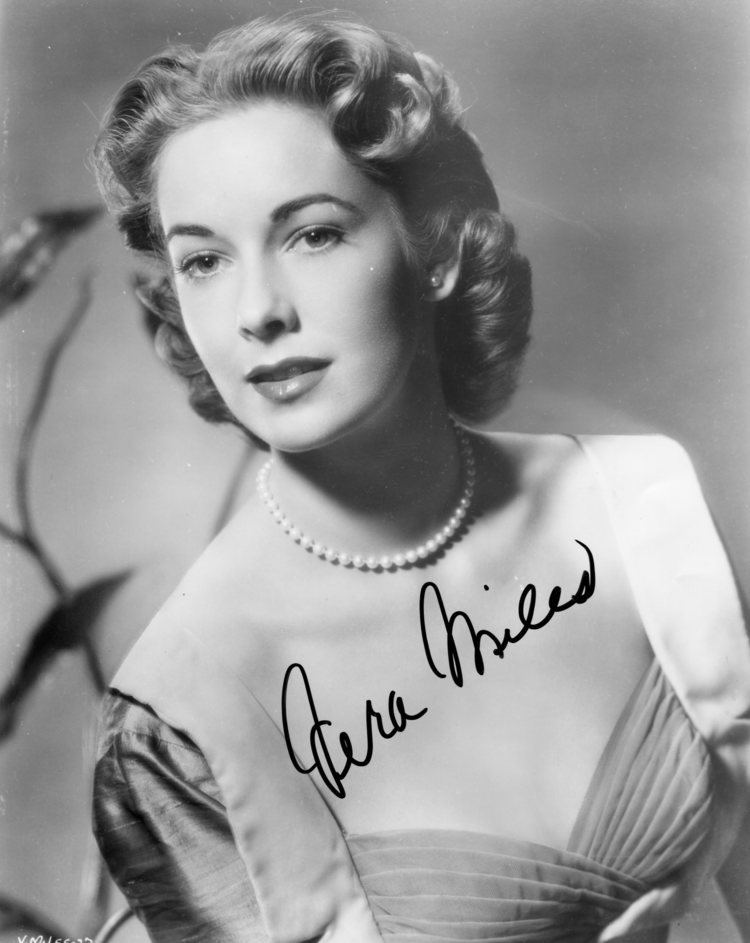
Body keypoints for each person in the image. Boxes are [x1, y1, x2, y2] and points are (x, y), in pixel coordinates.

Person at [91, 13, 750, 943]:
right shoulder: (175, 726)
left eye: (312, 235)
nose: (257, 312)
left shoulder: (645, 507)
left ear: (436, 249)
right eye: (202, 259)